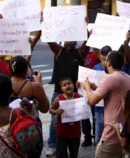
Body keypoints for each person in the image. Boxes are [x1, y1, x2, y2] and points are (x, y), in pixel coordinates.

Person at [46, 18, 90, 157]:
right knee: (55, 121)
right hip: (59, 93)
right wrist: (46, 26)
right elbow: (50, 42)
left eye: (72, 40)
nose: (69, 42)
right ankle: (53, 145)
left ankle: (83, 139)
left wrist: (86, 26)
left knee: (81, 118)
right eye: (66, 40)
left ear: (75, 42)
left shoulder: (80, 53)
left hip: (75, 92)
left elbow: (88, 43)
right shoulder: (59, 51)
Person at [81, 51, 130, 158]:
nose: (103, 62)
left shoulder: (110, 79)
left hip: (111, 133)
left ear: (108, 63)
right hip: (125, 131)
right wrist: (95, 88)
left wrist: (87, 88)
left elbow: (92, 100)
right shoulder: (129, 78)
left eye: (105, 60)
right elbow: (113, 94)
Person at [9, 56, 50, 158]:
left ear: (10, 69)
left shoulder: (3, 84)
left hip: (10, 128)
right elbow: (45, 108)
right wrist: (39, 83)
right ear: (26, 70)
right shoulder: (34, 86)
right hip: (30, 129)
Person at [49, 78, 82, 158]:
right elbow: (50, 109)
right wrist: (56, 111)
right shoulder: (59, 98)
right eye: (64, 85)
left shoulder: (79, 97)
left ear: (73, 85)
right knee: (61, 153)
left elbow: (88, 104)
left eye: (69, 83)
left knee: (74, 153)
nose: (67, 86)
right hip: (62, 132)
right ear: (61, 89)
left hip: (75, 132)